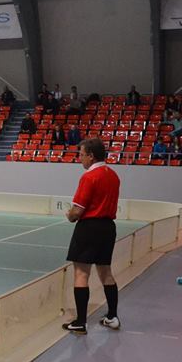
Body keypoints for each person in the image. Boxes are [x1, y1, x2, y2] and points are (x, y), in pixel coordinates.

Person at [62, 138, 121, 334]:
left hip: (89, 228)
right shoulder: (113, 176)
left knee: (81, 273)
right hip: (108, 228)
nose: (80, 158)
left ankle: (80, 321)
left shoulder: (89, 177)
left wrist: (70, 215)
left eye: (81, 154)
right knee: (106, 272)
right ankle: (112, 317)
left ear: (91, 156)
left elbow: (77, 211)